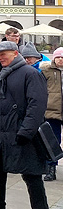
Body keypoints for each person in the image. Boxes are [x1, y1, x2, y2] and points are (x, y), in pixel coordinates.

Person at [0, 41, 52, 209]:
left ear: (15, 53)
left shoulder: (30, 73)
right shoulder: (3, 73)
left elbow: (37, 105)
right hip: (4, 130)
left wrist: (26, 131)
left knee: (31, 173)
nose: (0, 57)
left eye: (4, 54)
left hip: (21, 131)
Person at [41, 48, 63, 182]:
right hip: (52, 110)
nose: (60, 60)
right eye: (58, 57)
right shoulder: (46, 71)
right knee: (53, 141)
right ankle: (51, 168)